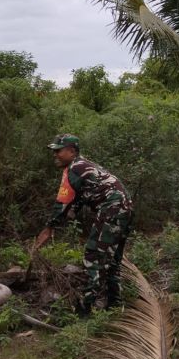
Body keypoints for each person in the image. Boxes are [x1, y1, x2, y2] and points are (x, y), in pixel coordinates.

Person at [34, 134, 134, 313]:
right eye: (54, 151)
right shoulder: (84, 165)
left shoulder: (74, 168)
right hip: (124, 208)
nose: (55, 154)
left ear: (72, 151)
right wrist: (69, 215)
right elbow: (77, 199)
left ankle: (85, 308)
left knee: (94, 255)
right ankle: (114, 303)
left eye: (59, 151)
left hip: (112, 208)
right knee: (112, 259)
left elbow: (62, 202)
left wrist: (49, 228)